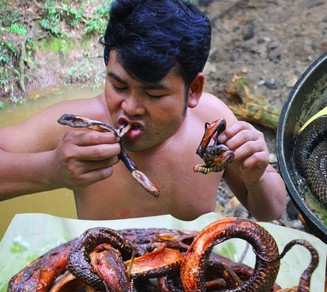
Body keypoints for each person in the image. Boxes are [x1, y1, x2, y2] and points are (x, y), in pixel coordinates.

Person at [0, 0, 287, 222]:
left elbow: (270, 211)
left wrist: (256, 177)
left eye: (153, 93)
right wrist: (50, 169)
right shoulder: (77, 126)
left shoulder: (212, 124)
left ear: (194, 90)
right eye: (119, 86)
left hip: (189, 281)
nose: (131, 107)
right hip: (104, 284)